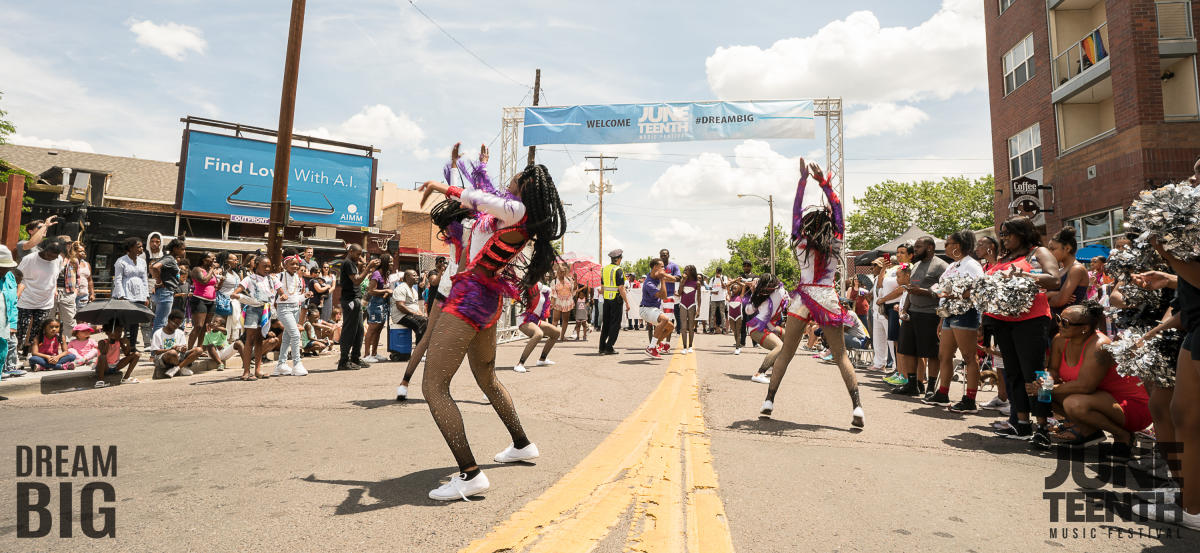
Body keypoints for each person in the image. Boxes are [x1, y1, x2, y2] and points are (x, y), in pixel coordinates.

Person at [417, 150, 564, 501]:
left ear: (526, 187)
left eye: (514, 177)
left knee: (434, 386)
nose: (507, 179)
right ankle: (522, 444)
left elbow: (479, 197)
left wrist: (442, 186)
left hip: (470, 299)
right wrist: (475, 164)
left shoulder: (516, 212)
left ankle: (469, 475)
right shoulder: (512, 212)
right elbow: (486, 194)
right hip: (486, 300)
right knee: (487, 378)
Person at [759, 158, 864, 427]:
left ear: (807, 225)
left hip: (802, 299)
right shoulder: (837, 242)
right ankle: (857, 408)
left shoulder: (801, 242)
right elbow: (838, 210)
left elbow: (795, 211)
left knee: (787, 353)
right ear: (829, 226)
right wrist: (824, 183)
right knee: (840, 356)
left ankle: (769, 401)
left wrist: (802, 180)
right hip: (827, 298)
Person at [987, 216, 1062, 448]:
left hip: (1031, 320)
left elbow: (1054, 279)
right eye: (1002, 234)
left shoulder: (1037, 252)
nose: (1004, 238)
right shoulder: (1004, 257)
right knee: (1014, 373)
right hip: (1002, 321)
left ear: (1023, 233)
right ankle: (1021, 423)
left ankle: (1043, 426)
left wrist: (1023, 276)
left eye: (1008, 233)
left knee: (1037, 373)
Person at [1045, 302, 1151, 449]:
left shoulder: (1099, 345)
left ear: (1085, 328)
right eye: (1058, 319)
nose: (1060, 325)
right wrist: (1046, 379)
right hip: (1098, 397)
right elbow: (1053, 369)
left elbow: (1085, 386)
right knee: (1043, 395)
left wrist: (1048, 388)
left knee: (1073, 403)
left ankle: (1122, 436)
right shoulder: (1059, 339)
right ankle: (1090, 433)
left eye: (1065, 323)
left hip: (1131, 405)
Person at [925, 230, 987, 411]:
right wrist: (941, 317)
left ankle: (970, 399)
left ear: (958, 246)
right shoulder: (953, 265)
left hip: (965, 313)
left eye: (948, 243)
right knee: (944, 355)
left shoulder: (972, 265)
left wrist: (953, 294)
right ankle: (942, 393)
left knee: (969, 357)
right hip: (948, 315)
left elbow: (978, 289)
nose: (945, 247)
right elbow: (943, 291)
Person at [890, 236, 949, 398]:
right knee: (908, 350)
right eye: (915, 247)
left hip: (930, 314)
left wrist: (922, 292)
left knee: (931, 353)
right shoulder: (915, 265)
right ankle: (912, 384)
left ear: (930, 247)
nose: (914, 250)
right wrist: (905, 311)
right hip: (912, 314)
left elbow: (945, 292)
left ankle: (930, 386)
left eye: (918, 247)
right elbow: (910, 290)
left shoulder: (941, 266)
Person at [233, 255, 280, 380]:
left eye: (269, 266)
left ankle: (258, 369)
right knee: (250, 339)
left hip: (265, 310)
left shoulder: (271, 279)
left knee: (259, 339)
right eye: (264, 266)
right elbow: (240, 288)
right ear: (256, 265)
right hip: (253, 310)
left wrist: (283, 295)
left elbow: (279, 290)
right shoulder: (250, 278)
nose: (267, 268)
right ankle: (246, 371)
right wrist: (235, 293)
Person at [16, 238, 65, 357]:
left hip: (45, 301)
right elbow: (18, 277)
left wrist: (54, 289)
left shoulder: (58, 259)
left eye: (55, 255)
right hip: (26, 299)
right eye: (49, 254)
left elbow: (54, 276)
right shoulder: (30, 259)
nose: (51, 258)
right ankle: (15, 351)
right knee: (22, 327)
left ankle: (30, 352)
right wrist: (17, 294)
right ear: (44, 249)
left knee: (38, 329)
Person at [337, 244, 378, 371]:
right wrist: (369, 267)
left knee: (359, 330)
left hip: (356, 299)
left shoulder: (353, 263)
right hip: (350, 300)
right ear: (350, 251)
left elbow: (356, 278)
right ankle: (343, 361)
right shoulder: (348, 263)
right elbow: (356, 281)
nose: (359, 257)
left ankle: (355, 357)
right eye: (358, 254)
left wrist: (362, 266)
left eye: (361, 254)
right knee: (349, 330)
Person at [744, 274, 788, 384]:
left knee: (787, 337)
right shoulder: (777, 292)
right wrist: (755, 292)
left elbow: (748, 310)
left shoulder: (770, 293)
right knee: (780, 346)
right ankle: (759, 373)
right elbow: (748, 311)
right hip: (757, 329)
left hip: (767, 327)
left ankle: (772, 364)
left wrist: (754, 291)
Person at [111, 237, 150, 350]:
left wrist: (146, 295)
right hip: (125, 293)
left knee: (135, 321)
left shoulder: (142, 262)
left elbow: (144, 279)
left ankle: (132, 345)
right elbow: (117, 279)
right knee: (124, 321)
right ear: (131, 248)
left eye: (142, 246)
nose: (141, 248)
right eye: (138, 246)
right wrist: (121, 295)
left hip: (139, 294)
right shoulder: (121, 261)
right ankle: (120, 344)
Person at [274, 254, 308, 376]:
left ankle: (281, 365)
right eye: (292, 264)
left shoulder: (298, 278)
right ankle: (296, 364)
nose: (295, 266)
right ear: (285, 265)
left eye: (296, 264)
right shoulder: (279, 276)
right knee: (295, 334)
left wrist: (305, 296)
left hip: (295, 308)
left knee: (287, 338)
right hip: (284, 309)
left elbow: (295, 297)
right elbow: (272, 281)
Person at [513, 279, 558, 372]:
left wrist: (551, 301)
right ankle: (520, 364)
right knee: (538, 334)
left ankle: (542, 359)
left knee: (556, 333)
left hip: (535, 320)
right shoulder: (529, 286)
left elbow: (551, 291)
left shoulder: (542, 287)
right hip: (524, 320)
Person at [1046, 227, 1090, 319]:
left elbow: (1059, 301)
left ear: (1067, 248)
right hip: (1056, 321)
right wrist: (1051, 295)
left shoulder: (1076, 269)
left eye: (1052, 249)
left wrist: (1047, 299)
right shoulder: (1060, 270)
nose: (1049, 253)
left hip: (1071, 323)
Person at [640, 258, 678, 359]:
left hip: (653, 309)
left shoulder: (655, 275)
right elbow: (664, 296)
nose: (664, 268)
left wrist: (663, 275)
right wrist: (663, 279)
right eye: (661, 267)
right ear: (655, 267)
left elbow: (674, 279)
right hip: (646, 309)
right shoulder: (649, 283)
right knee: (665, 319)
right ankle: (651, 347)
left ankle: (655, 345)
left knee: (670, 327)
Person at [151, 310, 204, 378]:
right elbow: (156, 351)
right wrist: (170, 349)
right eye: (175, 323)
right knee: (172, 353)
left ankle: (177, 368)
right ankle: (182, 367)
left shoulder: (180, 332)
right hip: (164, 358)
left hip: (178, 356)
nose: (176, 326)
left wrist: (183, 349)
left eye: (179, 324)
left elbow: (183, 347)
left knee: (199, 350)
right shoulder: (158, 333)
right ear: (169, 320)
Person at [149, 238, 185, 337]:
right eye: (182, 249)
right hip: (165, 292)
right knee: (161, 322)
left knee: (161, 320)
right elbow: (154, 267)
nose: (184, 251)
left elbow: (152, 267)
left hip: (165, 292)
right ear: (175, 248)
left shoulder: (170, 258)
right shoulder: (169, 258)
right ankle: (155, 349)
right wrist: (159, 281)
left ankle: (156, 347)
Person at [599, 249, 632, 355]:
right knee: (615, 324)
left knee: (606, 323)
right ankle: (609, 347)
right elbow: (621, 288)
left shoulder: (604, 269)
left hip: (606, 300)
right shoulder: (618, 270)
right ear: (619, 259)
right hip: (616, 300)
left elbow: (602, 287)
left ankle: (601, 347)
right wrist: (627, 302)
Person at [188, 251, 219, 350]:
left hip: (212, 300)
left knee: (205, 327)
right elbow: (204, 280)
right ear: (204, 259)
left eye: (214, 259)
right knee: (198, 326)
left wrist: (220, 281)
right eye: (212, 259)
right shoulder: (197, 269)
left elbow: (216, 286)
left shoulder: (211, 270)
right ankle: (189, 349)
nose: (214, 261)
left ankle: (199, 348)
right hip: (200, 299)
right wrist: (212, 269)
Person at [95, 320, 140, 386]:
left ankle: (125, 378)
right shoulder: (102, 342)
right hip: (104, 367)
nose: (120, 334)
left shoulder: (119, 342)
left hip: (115, 366)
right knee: (102, 357)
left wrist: (127, 343)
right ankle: (100, 381)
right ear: (108, 333)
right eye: (117, 332)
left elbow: (127, 354)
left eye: (120, 332)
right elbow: (103, 352)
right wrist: (109, 340)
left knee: (136, 355)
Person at [391, 269, 428, 345]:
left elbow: (415, 306)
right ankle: (418, 350)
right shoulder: (401, 288)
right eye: (414, 275)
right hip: (401, 316)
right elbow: (400, 306)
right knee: (422, 322)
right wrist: (414, 313)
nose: (417, 277)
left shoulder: (414, 290)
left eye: (417, 275)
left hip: (409, 315)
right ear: (407, 277)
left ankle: (420, 349)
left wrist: (421, 314)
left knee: (426, 321)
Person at [216, 252, 243, 341]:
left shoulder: (235, 273)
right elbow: (216, 285)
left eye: (237, 260)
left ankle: (229, 340)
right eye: (234, 260)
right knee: (222, 322)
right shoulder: (221, 271)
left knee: (233, 322)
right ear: (226, 261)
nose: (236, 262)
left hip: (234, 302)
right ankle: (218, 342)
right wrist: (222, 276)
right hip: (224, 301)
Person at [52, 240, 79, 329]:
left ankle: (68, 342)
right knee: (49, 319)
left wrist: (75, 291)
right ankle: (49, 342)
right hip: (52, 291)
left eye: (70, 244)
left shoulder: (74, 260)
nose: (69, 246)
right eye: (66, 244)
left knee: (70, 319)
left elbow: (78, 277)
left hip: (68, 292)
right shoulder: (52, 258)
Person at [677, 265, 701, 353]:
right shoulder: (683, 280)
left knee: (691, 327)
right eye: (685, 269)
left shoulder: (697, 282)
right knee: (683, 327)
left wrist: (698, 309)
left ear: (692, 271)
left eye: (687, 270)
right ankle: (684, 347)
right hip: (683, 304)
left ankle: (690, 346)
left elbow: (699, 297)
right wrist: (682, 281)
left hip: (692, 305)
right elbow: (679, 293)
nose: (685, 271)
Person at [552, 262, 576, 340]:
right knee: (555, 320)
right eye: (560, 271)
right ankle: (552, 336)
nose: (561, 273)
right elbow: (553, 294)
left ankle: (562, 336)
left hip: (567, 302)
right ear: (557, 272)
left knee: (565, 320)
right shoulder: (554, 282)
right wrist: (552, 303)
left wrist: (576, 280)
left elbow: (573, 290)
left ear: (565, 272)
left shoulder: (569, 280)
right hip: (558, 302)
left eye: (563, 271)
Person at [726, 280, 747, 354]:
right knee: (734, 331)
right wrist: (734, 280)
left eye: (736, 288)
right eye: (733, 288)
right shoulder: (730, 296)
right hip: (731, 316)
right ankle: (738, 344)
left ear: (739, 290)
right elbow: (727, 285)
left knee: (738, 332)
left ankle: (737, 348)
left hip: (738, 316)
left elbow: (744, 285)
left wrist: (738, 282)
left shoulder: (741, 296)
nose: (734, 290)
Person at [73, 242, 95, 311]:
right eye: (80, 251)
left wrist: (92, 293)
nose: (83, 253)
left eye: (84, 251)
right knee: (70, 317)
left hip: (83, 294)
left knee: (81, 316)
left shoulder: (87, 264)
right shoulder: (70, 263)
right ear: (74, 252)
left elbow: (90, 280)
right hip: (71, 294)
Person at [708, 267, 728, 334]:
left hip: (721, 298)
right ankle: (711, 328)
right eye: (717, 271)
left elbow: (724, 287)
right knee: (712, 314)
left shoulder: (724, 278)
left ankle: (724, 328)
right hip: (713, 299)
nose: (717, 273)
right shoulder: (712, 279)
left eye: (719, 271)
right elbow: (709, 289)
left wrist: (720, 278)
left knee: (722, 314)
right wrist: (713, 292)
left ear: (721, 272)